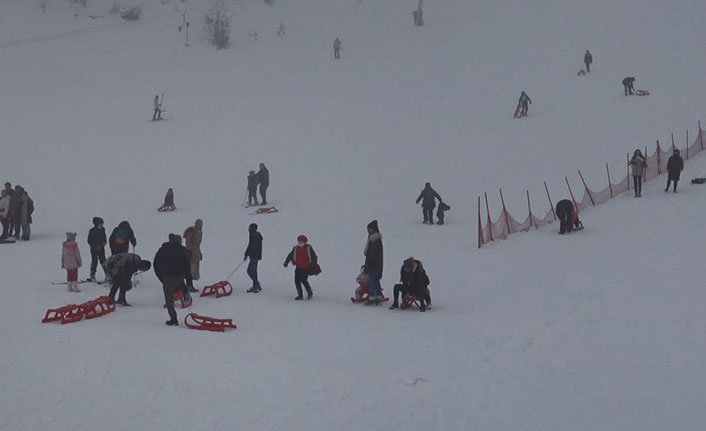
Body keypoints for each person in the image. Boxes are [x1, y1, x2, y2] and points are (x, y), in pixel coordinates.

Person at [153, 234, 192, 326]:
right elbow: (187, 266)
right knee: (180, 282)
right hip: (179, 275)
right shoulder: (182, 250)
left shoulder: (162, 249)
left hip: (167, 277)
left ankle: (173, 319)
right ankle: (185, 292)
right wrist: (189, 282)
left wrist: (161, 277)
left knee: (169, 299)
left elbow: (155, 264)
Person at [283, 234, 318, 300]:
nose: (299, 243)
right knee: (297, 281)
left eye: (301, 241)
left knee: (304, 280)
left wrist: (314, 265)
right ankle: (300, 295)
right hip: (298, 267)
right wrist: (286, 262)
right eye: (299, 241)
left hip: (306, 268)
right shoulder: (295, 248)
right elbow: (290, 255)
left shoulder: (308, 248)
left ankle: (309, 292)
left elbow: (314, 257)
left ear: (304, 242)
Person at [363, 220, 383, 305]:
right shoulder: (375, 239)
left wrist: (370, 262)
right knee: (376, 279)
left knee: (372, 280)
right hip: (377, 264)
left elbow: (373, 253)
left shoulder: (374, 239)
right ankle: (378, 295)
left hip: (373, 264)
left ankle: (371, 297)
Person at [183, 219, 203, 290]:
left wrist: (199, 253)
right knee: (190, 269)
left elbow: (198, 244)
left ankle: (190, 285)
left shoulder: (199, 232)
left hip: (196, 252)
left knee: (194, 269)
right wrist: (189, 251)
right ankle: (189, 285)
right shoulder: (192, 231)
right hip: (191, 252)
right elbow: (188, 242)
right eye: (199, 224)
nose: (200, 226)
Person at [87, 217, 108, 282]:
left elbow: (105, 238)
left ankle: (107, 274)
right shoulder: (92, 231)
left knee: (103, 261)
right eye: (100, 224)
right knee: (94, 262)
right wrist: (95, 246)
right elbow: (89, 241)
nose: (102, 225)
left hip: (101, 249)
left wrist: (103, 244)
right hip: (94, 250)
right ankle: (92, 275)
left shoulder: (103, 230)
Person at [244, 223, 263, 293]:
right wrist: (246, 254)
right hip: (255, 256)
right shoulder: (253, 235)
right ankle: (256, 285)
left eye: (249, 228)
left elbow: (252, 246)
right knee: (253, 271)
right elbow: (250, 245)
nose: (248, 229)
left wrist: (247, 254)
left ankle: (256, 285)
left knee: (250, 270)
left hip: (255, 256)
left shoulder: (255, 235)